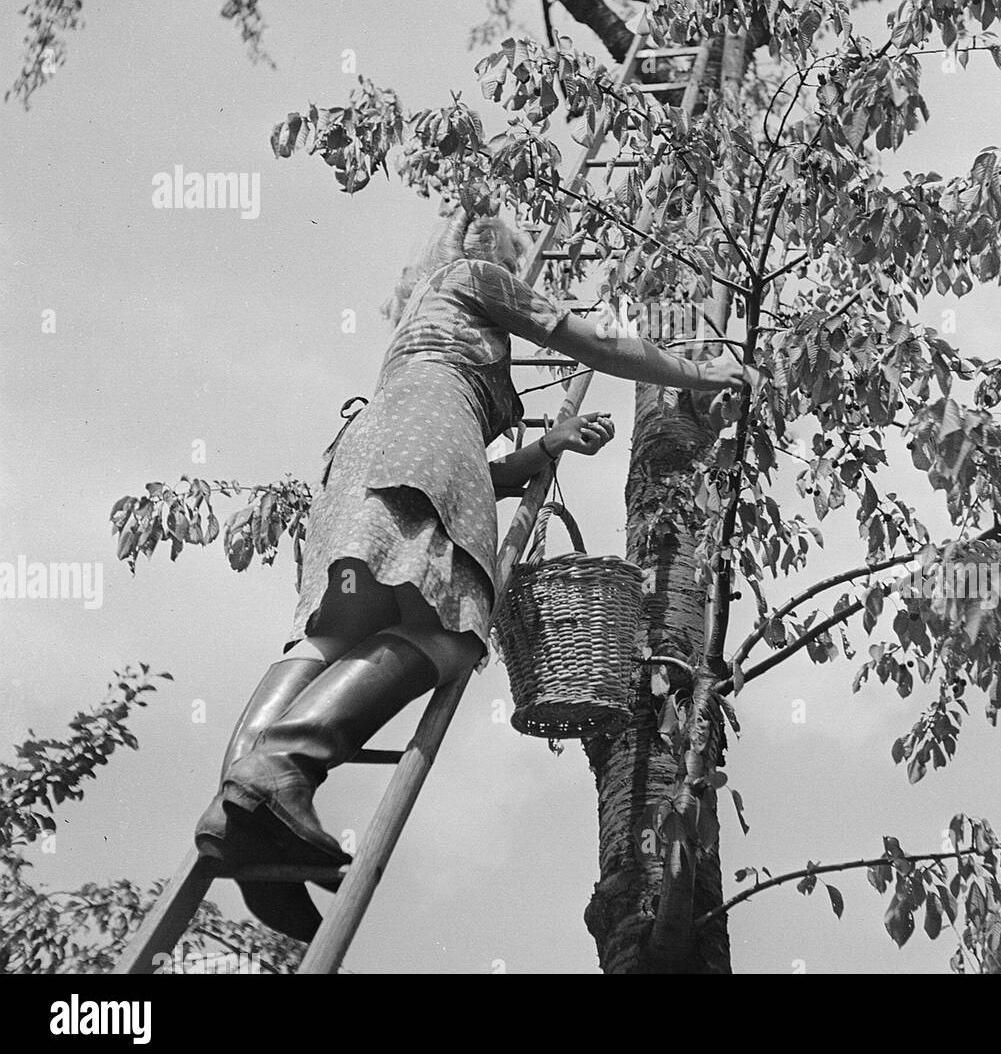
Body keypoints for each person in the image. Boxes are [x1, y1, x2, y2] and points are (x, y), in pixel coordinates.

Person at [194, 207, 748, 940]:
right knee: (450, 634)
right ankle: (279, 770)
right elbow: (595, 340)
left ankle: (237, 812)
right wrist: (698, 370)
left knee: (331, 638)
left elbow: (458, 454)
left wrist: (543, 448)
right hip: (425, 448)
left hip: (365, 456)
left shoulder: (419, 329)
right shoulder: (477, 278)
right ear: (498, 253)